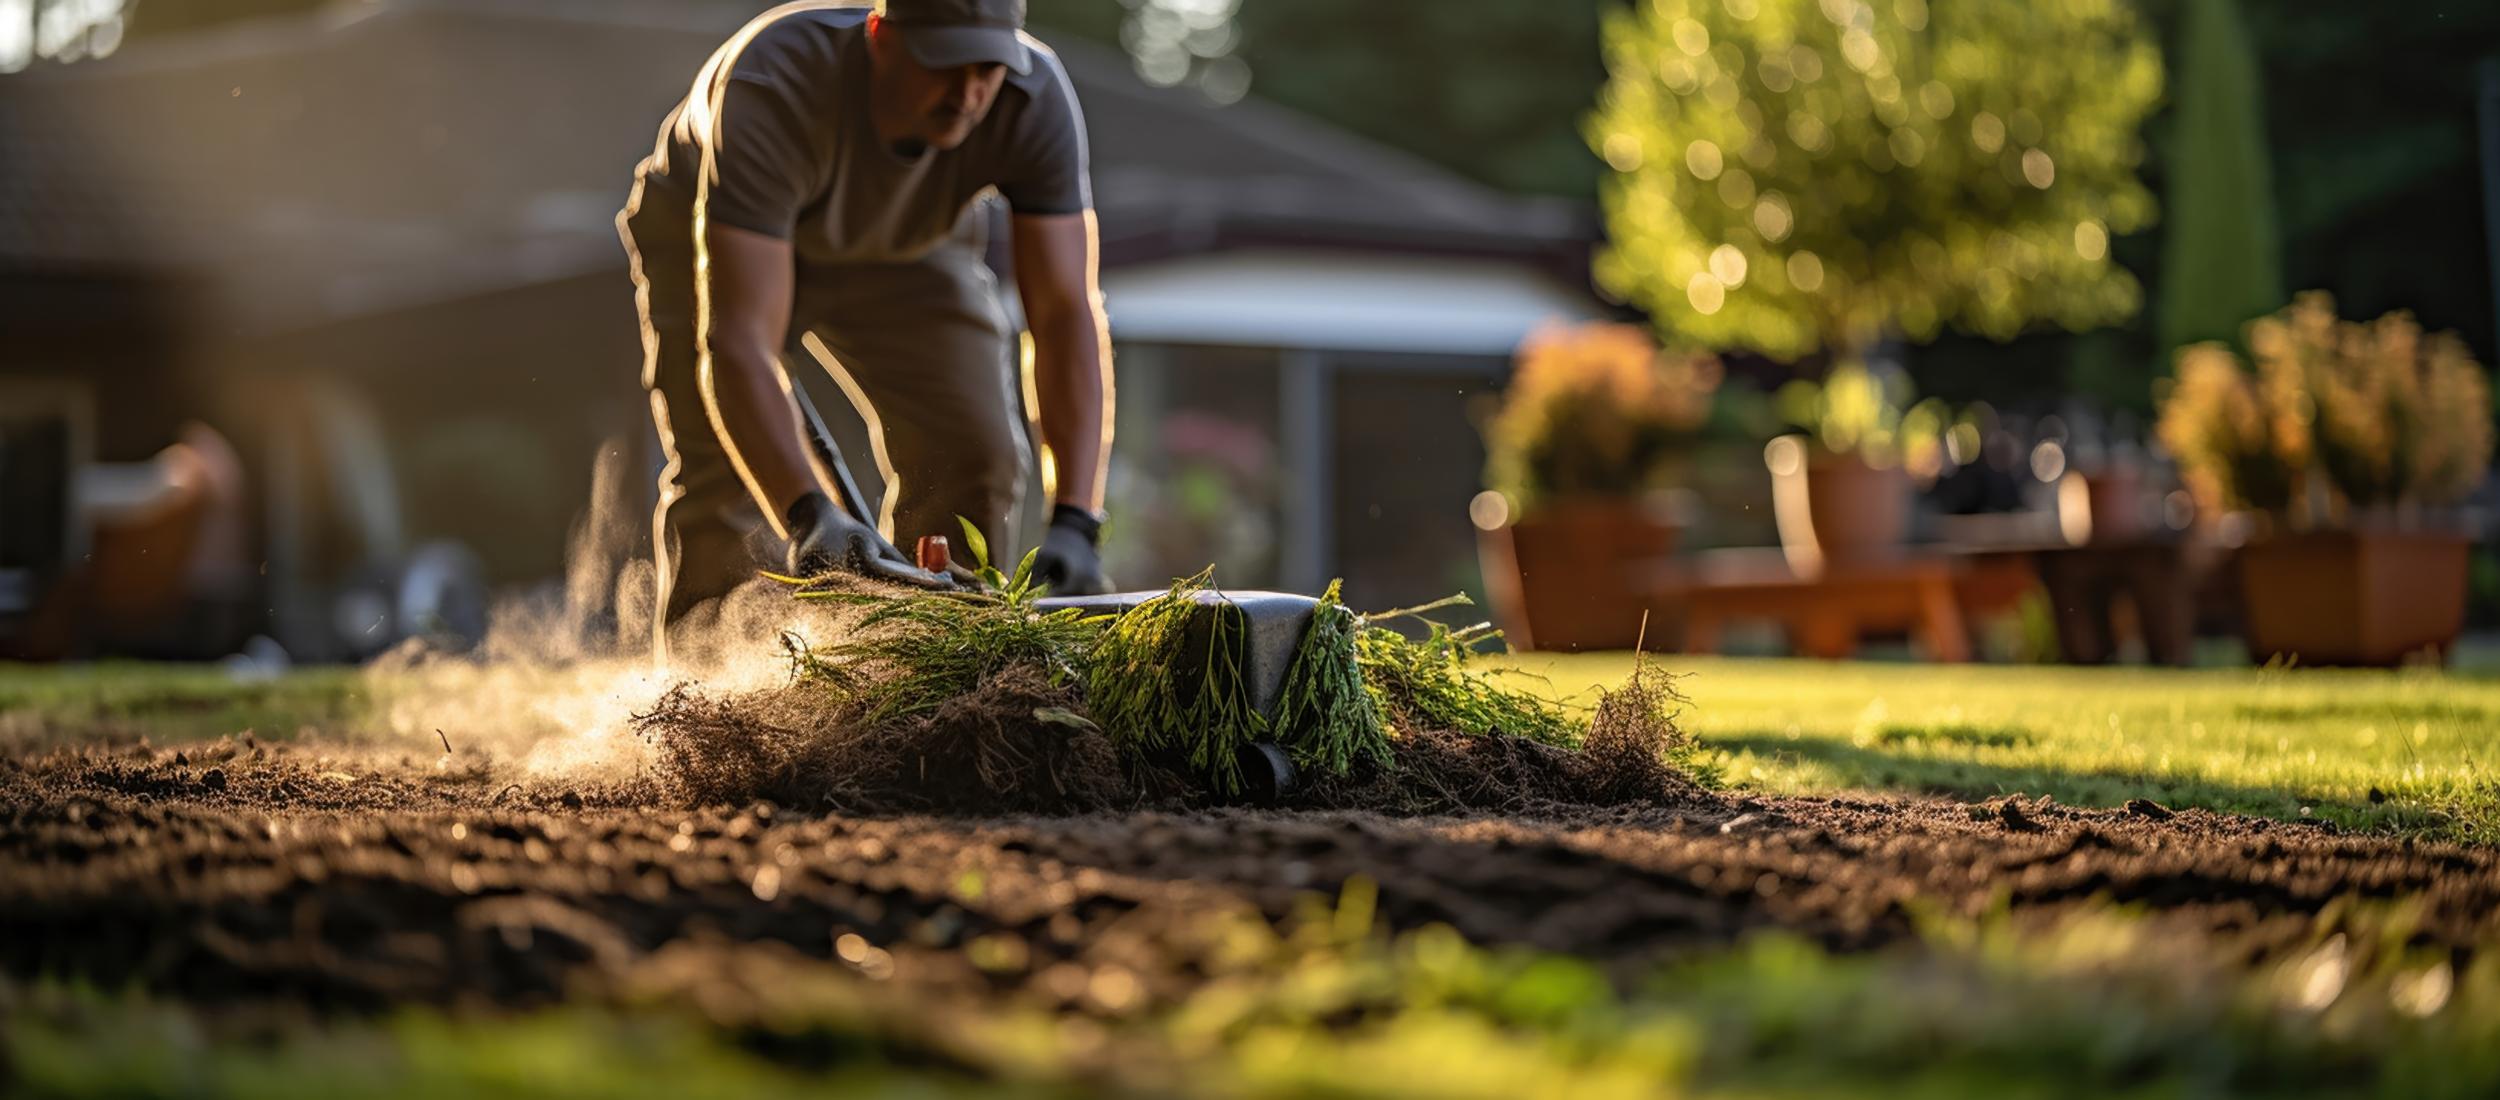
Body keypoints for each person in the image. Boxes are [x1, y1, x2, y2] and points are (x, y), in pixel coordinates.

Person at [617, 0, 1115, 658]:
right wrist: (807, 513)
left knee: (974, 454)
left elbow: (1063, 316)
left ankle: (934, 684)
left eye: (987, 69)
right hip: (716, 235)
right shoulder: (774, 82)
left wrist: (1078, 520)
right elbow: (740, 343)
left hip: (909, 246)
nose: (967, 93)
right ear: (881, 37)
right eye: (945, 63)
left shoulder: (1033, 96)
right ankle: (699, 713)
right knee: (725, 480)